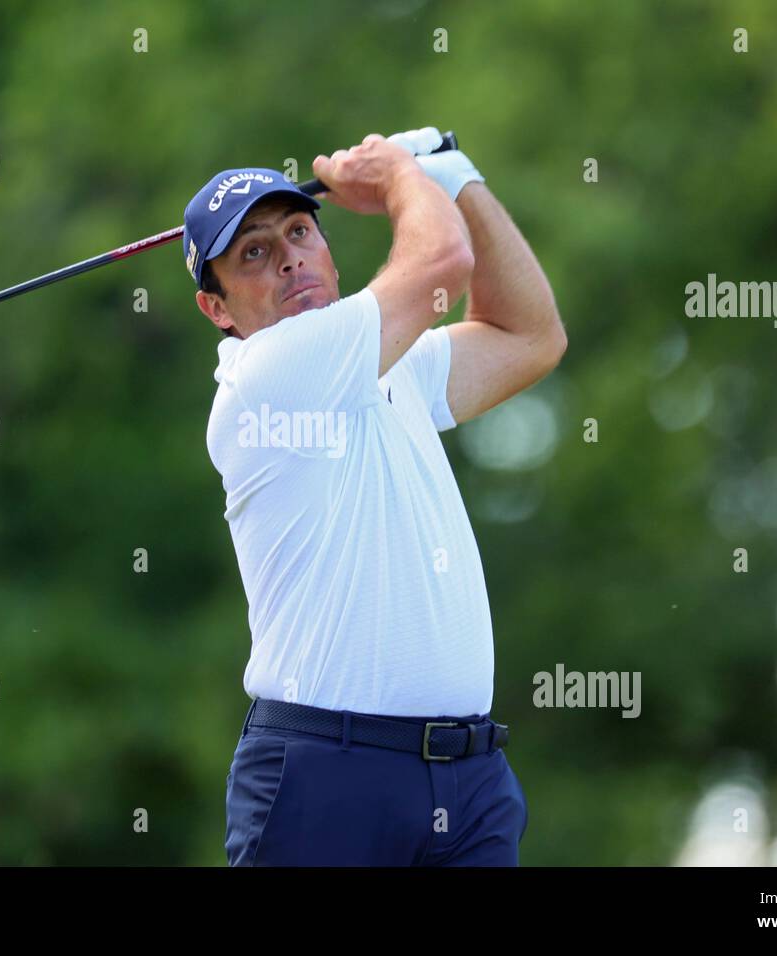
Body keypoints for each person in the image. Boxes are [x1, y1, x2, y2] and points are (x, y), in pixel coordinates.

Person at [181, 127, 566, 865]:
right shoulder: (267, 377)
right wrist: (397, 176)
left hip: (471, 777)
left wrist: (454, 176)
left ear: (328, 248)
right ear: (218, 309)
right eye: (253, 252)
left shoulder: (386, 367)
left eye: (299, 230)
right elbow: (442, 262)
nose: (290, 255)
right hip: (324, 779)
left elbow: (530, 335)